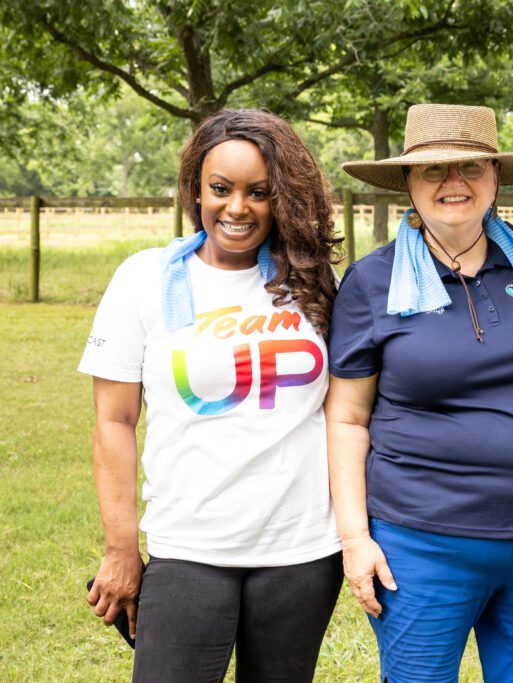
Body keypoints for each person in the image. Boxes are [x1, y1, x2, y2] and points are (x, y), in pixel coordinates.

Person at [326, 103, 513, 682]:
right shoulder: (373, 281)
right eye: (434, 170)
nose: (455, 183)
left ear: (495, 177)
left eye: (472, 168)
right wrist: (354, 537)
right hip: (421, 549)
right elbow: (347, 418)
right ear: (407, 183)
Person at [80, 108, 344, 682]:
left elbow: (346, 415)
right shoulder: (144, 278)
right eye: (220, 189)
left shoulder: (313, 281)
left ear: (284, 198)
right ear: (196, 191)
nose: (237, 207)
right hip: (188, 548)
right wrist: (122, 549)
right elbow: (114, 422)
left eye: (259, 192)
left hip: (301, 551)